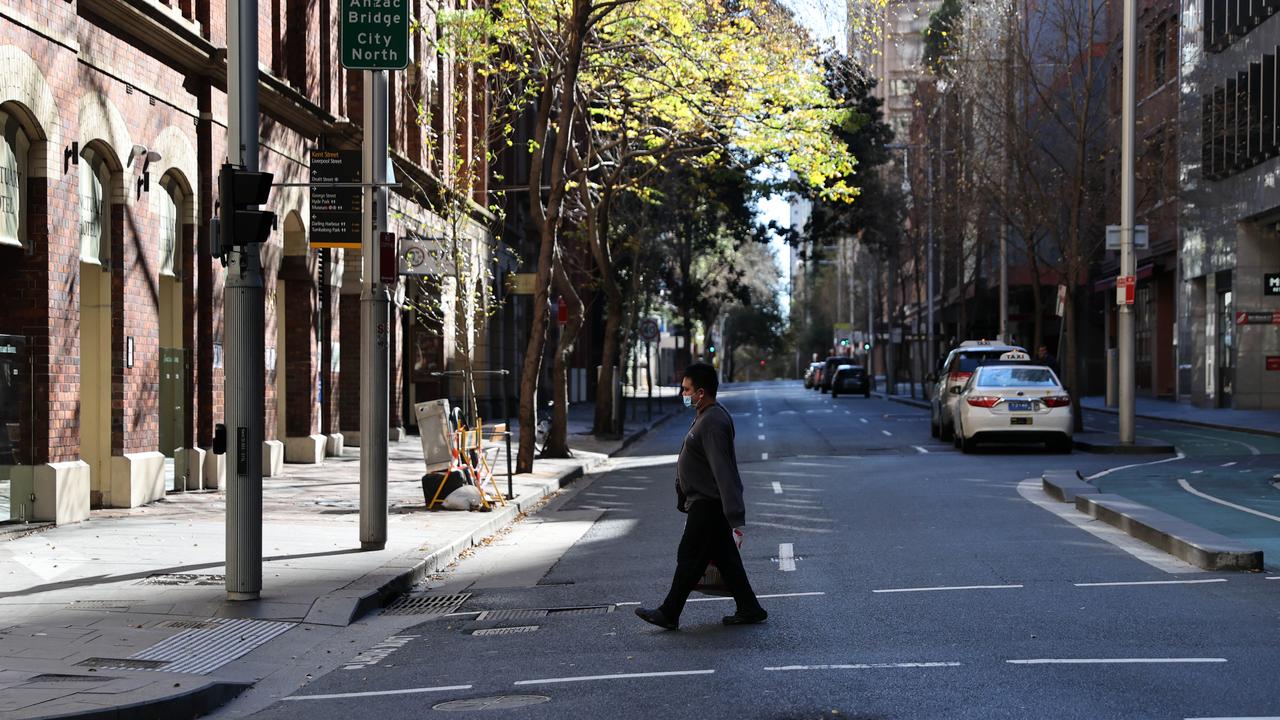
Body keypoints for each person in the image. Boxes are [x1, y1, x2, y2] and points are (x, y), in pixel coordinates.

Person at [635, 362, 767, 630]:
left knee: (689, 556)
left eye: (686, 389)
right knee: (726, 559)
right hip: (704, 502)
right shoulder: (705, 416)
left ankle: (669, 612)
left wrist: (733, 512)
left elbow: (723, 469)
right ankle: (750, 607)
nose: (683, 394)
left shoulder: (713, 421)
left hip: (708, 504)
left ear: (701, 392)